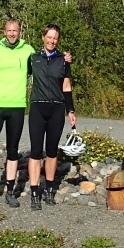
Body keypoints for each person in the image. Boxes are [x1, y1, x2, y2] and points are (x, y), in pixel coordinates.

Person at [0, 19, 70, 208]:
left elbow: (46, 65)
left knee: (12, 151)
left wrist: (65, 58)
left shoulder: (29, 52)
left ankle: (10, 192)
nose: (11, 33)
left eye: (15, 30)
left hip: (17, 106)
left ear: (20, 32)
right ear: (4, 32)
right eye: (9, 30)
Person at [27, 23, 77, 211]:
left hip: (57, 109)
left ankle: (49, 189)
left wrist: (70, 110)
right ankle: (34, 192)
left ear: (58, 40)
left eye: (55, 38)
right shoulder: (33, 58)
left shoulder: (64, 60)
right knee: (35, 151)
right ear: (43, 37)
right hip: (38, 108)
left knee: (52, 151)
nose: (52, 41)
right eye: (49, 37)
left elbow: (66, 86)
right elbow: (18, 75)